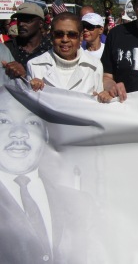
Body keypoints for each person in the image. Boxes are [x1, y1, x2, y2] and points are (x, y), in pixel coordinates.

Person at [0, 88, 99, 263]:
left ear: (45, 135)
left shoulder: (81, 204)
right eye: (4, 120)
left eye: (31, 123)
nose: (19, 133)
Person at [26, 12, 103, 94]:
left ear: (80, 37)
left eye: (72, 34)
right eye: (59, 34)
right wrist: (30, 88)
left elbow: (98, 103)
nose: (65, 39)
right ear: (51, 36)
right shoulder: (34, 66)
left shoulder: (94, 66)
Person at [2, 3, 52, 79]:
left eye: (27, 20)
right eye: (19, 20)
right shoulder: (8, 47)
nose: (21, 24)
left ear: (40, 23)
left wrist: (26, 75)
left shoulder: (51, 47)